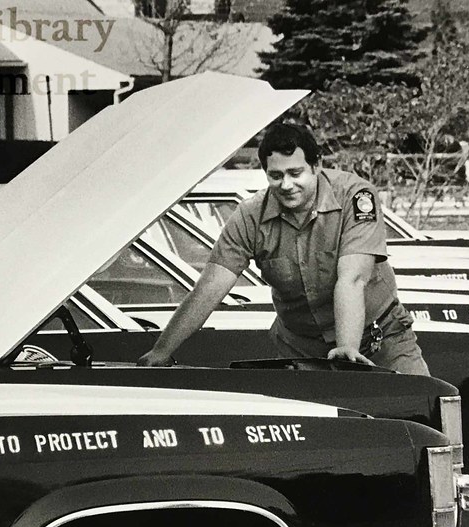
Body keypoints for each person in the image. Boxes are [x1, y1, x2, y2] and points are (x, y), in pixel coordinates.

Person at [139, 123, 429, 375]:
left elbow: (352, 279)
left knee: (420, 412)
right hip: (303, 350)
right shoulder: (251, 214)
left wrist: (346, 353)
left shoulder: (356, 195)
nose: (286, 184)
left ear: (316, 166)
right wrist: (161, 351)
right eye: (276, 176)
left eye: (295, 173)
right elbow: (211, 286)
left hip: (381, 339)